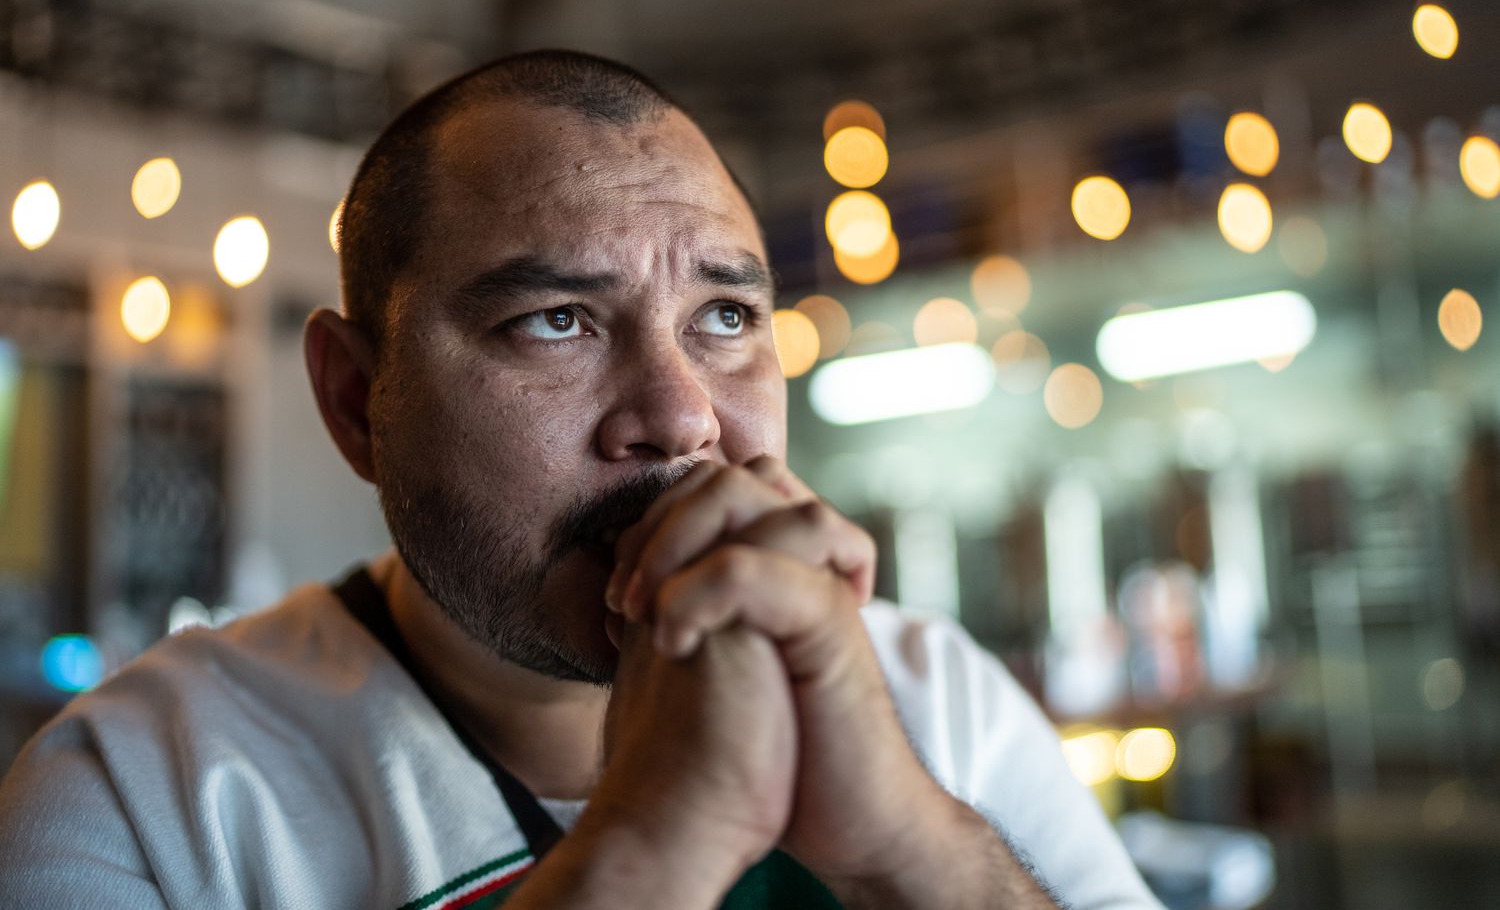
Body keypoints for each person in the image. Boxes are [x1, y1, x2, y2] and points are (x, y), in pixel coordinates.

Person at [0, 50, 1159, 909]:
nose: (681, 417)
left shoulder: (934, 705)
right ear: (360, 404)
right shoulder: (144, 796)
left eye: (724, 315)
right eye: (556, 320)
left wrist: (915, 847)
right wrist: (653, 845)